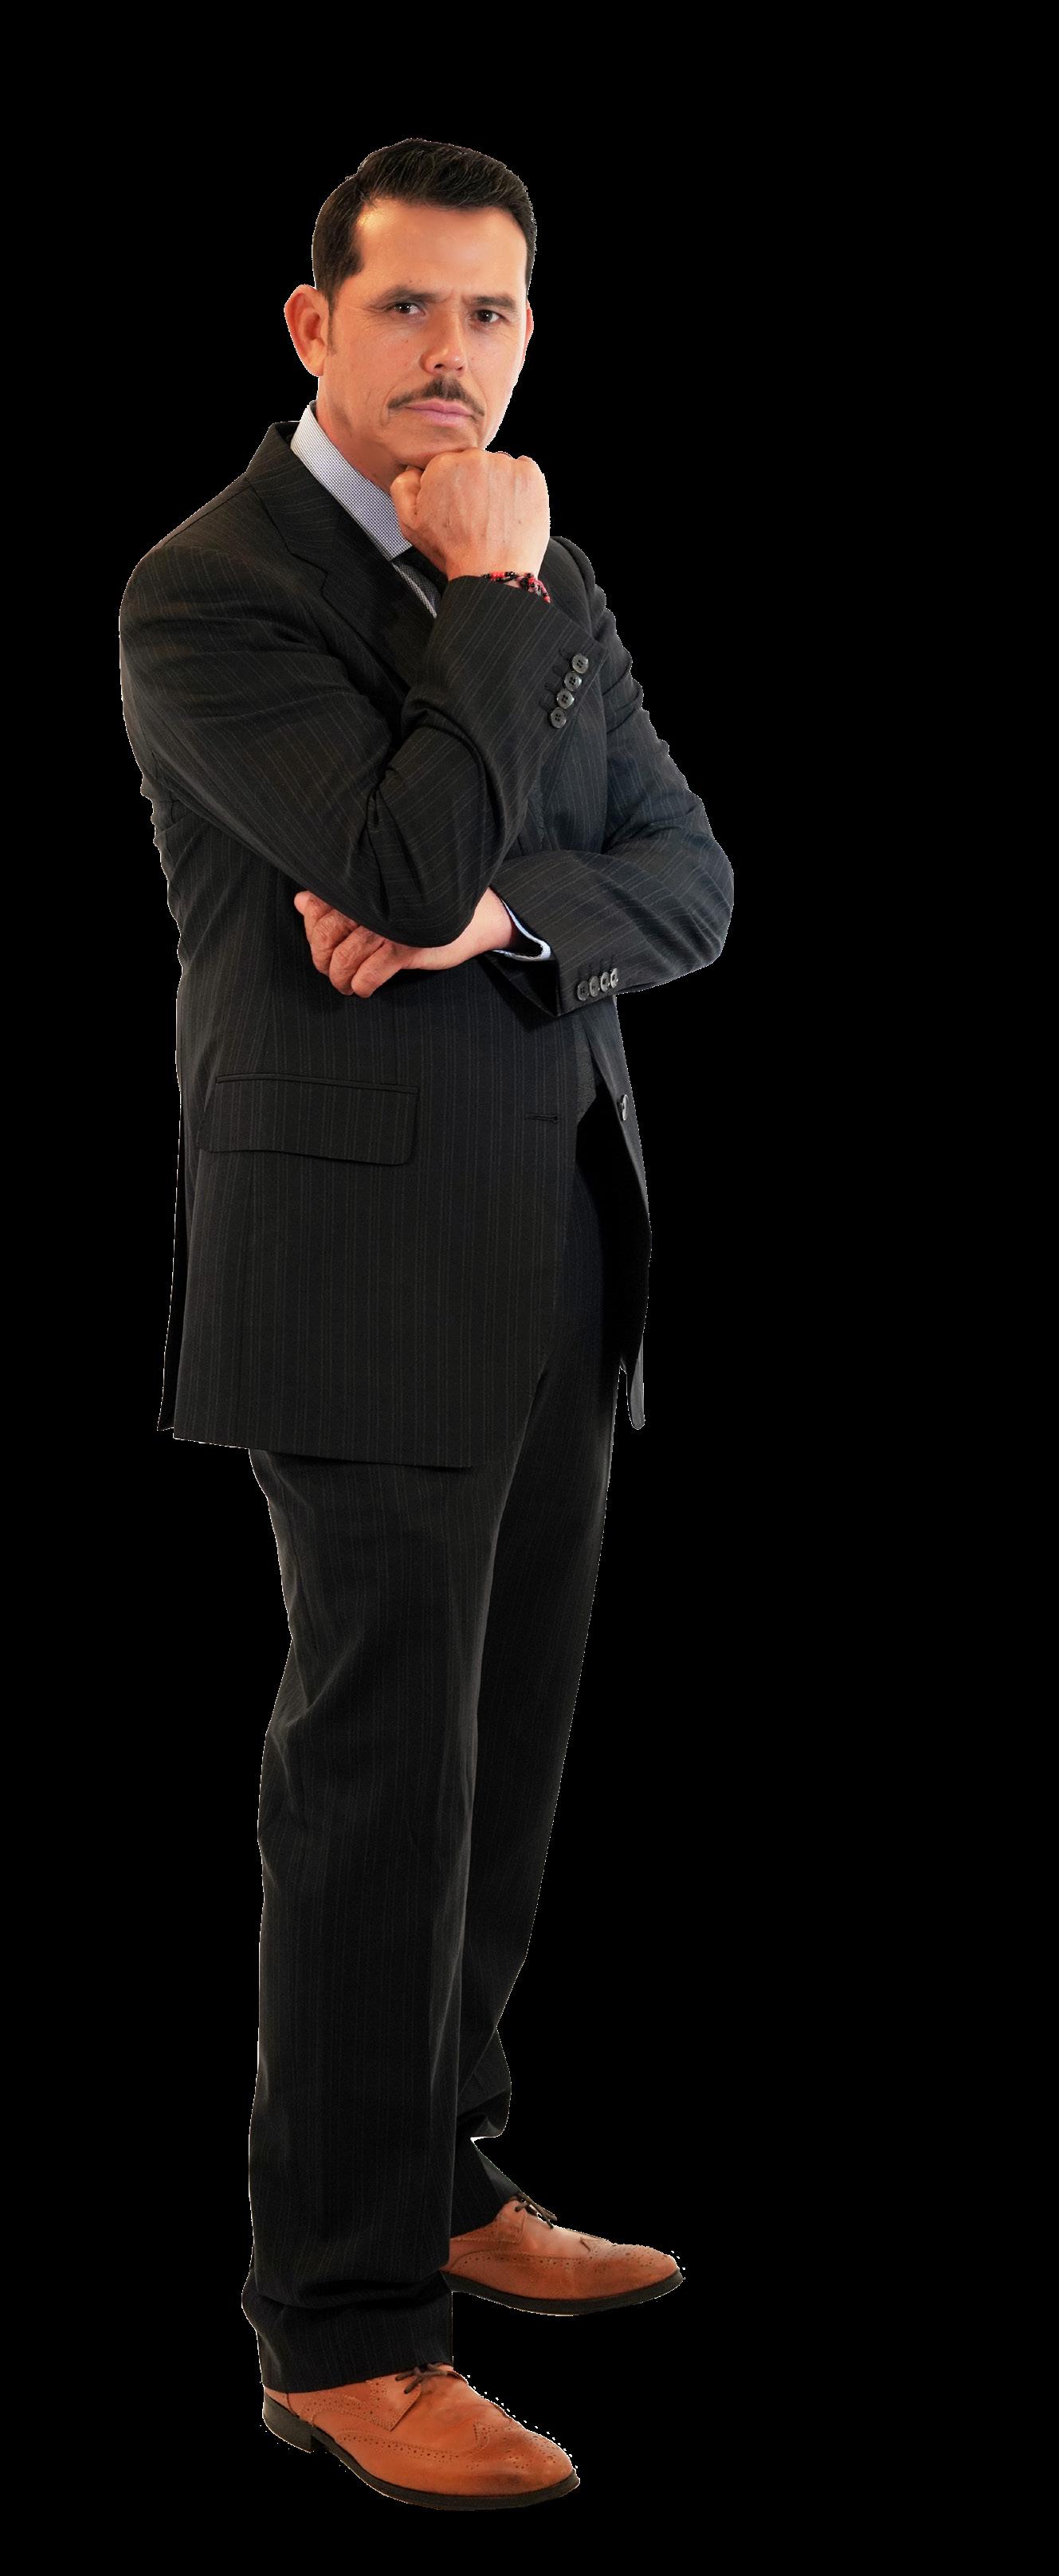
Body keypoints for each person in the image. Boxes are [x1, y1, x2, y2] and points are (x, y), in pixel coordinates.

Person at [118, 136, 734, 2512]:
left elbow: (691, 880)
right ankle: (343, 2323)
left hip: (561, 1235)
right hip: (359, 1274)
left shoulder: (545, 564)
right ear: (313, 326)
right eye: (406, 311)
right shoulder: (213, 590)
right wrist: (483, 612)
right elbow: (386, 850)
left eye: (491, 316)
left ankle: (446, 2169)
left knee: (506, 1749)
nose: (452, 357)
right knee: (376, 1782)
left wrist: (495, 921)